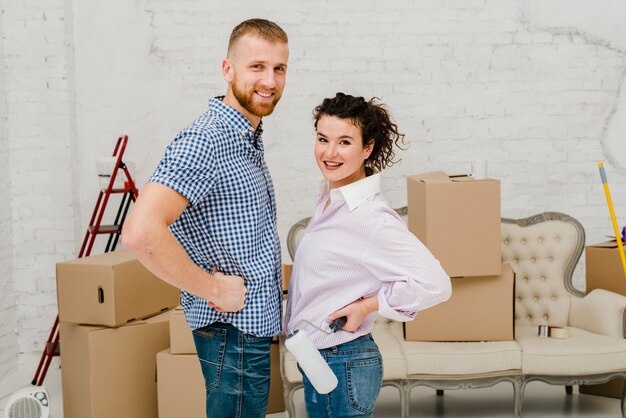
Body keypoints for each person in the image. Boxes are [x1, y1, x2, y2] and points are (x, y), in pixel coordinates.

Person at [122, 18, 288, 418]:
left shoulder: (244, 138)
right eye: (257, 66)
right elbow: (140, 232)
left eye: (279, 68)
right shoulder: (207, 140)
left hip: (248, 330)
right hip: (232, 331)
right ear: (227, 70)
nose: (269, 80)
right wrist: (211, 287)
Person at [285, 92, 452, 417]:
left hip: (343, 360)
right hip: (322, 357)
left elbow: (436, 284)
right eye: (323, 139)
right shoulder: (330, 201)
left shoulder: (370, 217)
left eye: (344, 142)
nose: (329, 153)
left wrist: (368, 305)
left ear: (368, 148)